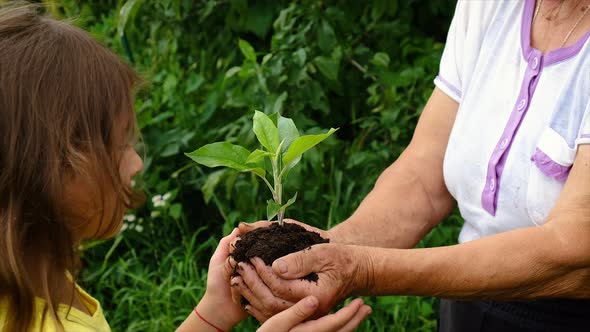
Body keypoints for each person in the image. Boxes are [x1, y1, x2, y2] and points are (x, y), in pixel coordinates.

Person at [0, 3, 372, 331]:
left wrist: (212, 314)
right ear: (43, 170)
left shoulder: (39, 282)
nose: (136, 162)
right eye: (117, 146)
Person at [229, 0, 590, 330]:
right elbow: (423, 177)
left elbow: (572, 248)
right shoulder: (490, 6)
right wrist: (323, 249)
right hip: (468, 306)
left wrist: (363, 269)